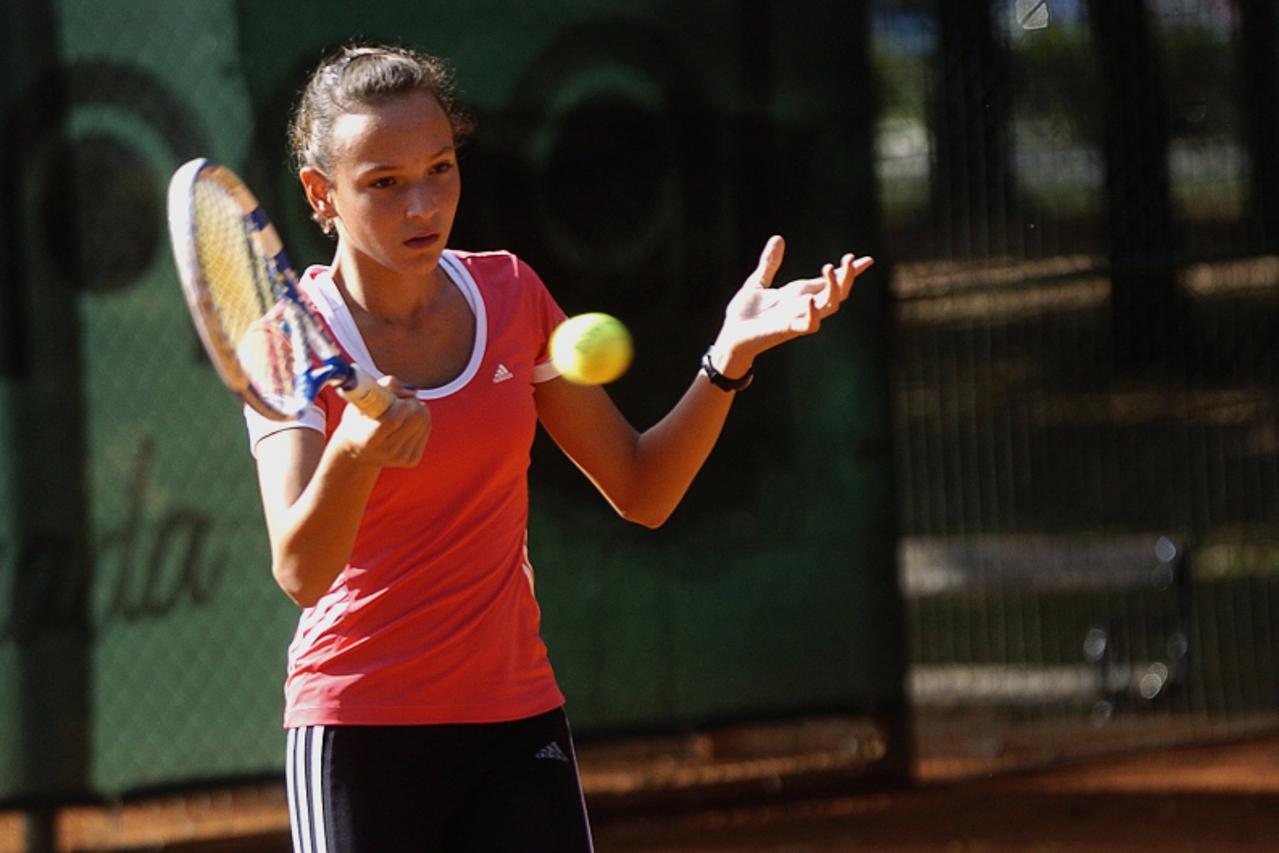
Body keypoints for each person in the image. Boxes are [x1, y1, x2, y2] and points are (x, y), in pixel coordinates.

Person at [246, 42, 874, 853]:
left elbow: (642, 488)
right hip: (360, 729)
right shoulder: (290, 342)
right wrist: (354, 453)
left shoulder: (510, 293)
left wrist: (728, 357)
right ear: (319, 194)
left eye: (440, 168)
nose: (422, 205)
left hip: (516, 723)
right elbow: (301, 571)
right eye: (383, 183)